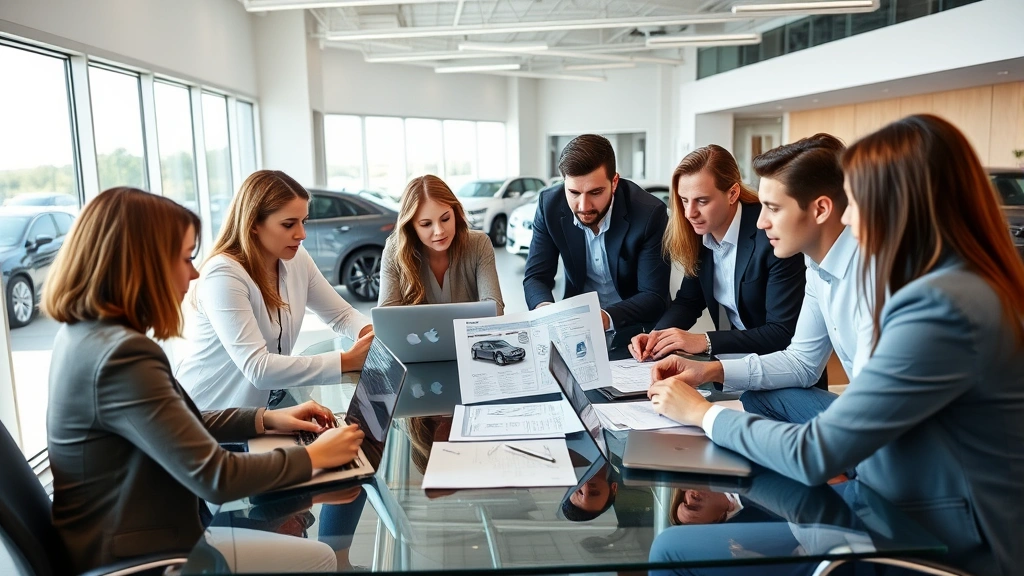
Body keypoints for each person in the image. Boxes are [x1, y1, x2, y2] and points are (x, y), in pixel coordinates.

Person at [647, 115, 1024, 575]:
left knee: (672, 549)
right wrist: (708, 378)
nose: (849, 216)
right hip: (897, 488)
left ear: (900, 206)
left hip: (933, 530)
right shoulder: (948, 285)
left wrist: (702, 413)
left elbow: (816, 452)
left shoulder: (940, 306)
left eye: (858, 199)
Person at [44, 187, 365, 573]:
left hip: (123, 530)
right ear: (142, 265)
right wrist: (314, 456)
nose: (195, 272)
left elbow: (182, 423)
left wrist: (266, 419)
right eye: (184, 258)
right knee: (319, 558)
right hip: (141, 553)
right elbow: (218, 477)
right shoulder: (121, 356)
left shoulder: (87, 336)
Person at [647, 134, 872, 416]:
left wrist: (702, 415)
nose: (762, 221)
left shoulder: (873, 279)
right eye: (683, 200)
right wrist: (706, 370)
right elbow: (802, 363)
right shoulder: (816, 268)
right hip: (856, 409)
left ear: (821, 209)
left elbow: (874, 416)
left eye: (773, 208)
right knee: (756, 400)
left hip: (884, 431)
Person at [177, 170, 374, 410]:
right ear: (253, 225)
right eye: (288, 224)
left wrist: (371, 335)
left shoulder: (296, 256)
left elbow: (341, 315)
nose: (301, 234)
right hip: (207, 417)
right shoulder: (224, 274)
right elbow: (258, 368)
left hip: (259, 416)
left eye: (304, 221)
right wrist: (347, 360)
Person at [631, 145, 805, 362]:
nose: (689, 213)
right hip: (736, 362)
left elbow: (781, 332)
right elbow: (689, 301)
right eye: (684, 200)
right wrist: (657, 336)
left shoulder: (771, 238)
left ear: (732, 193)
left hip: (781, 366)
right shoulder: (702, 233)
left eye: (702, 201)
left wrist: (704, 341)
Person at [524, 134, 670, 347]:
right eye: (574, 192)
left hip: (639, 331)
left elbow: (653, 295)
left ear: (614, 182)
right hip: (577, 331)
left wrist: (601, 317)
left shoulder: (649, 213)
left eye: (595, 192)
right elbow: (536, 276)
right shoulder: (549, 206)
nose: (583, 206)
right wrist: (545, 311)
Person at [378, 174, 504, 314]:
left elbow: (495, 309)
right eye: (426, 224)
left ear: (455, 214)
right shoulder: (394, 251)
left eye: (445, 219)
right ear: (411, 226)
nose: (439, 231)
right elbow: (386, 316)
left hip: (470, 336)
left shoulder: (479, 244)